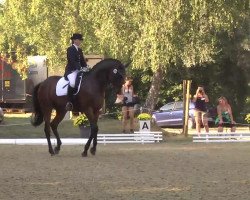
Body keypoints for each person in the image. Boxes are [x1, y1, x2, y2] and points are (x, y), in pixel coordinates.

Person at [64, 33, 89, 111]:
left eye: (80, 40)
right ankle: (69, 102)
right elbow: (72, 61)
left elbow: (82, 61)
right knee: (72, 82)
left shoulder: (80, 50)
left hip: (79, 71)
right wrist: (80, 68)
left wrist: (86, 67)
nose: (79, 42)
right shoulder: (70, 49)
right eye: (78, 40)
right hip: (71, 71)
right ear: (74, 40)